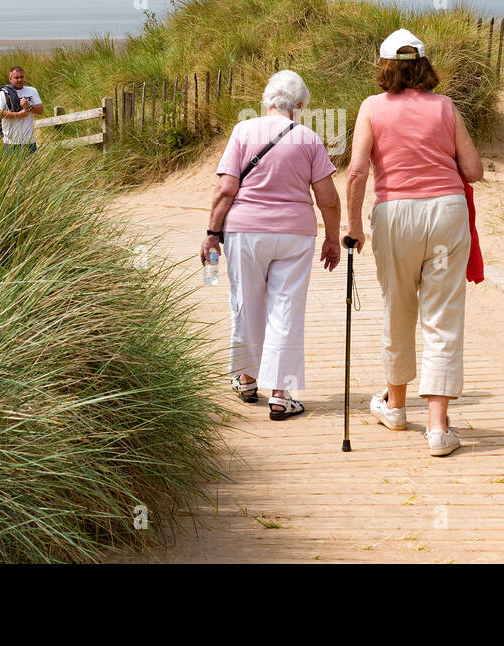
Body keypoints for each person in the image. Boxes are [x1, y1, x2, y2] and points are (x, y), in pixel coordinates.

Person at [345, 28, 484, 456]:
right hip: (444, 211)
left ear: (385, 67)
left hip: (393, 215)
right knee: (442, 316)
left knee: (398, 308)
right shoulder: (445, 107)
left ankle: (396, 406)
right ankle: (438, 428)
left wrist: (353, 227)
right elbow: (474, 169)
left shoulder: (371, 108)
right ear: (424, 65)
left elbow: (356, 173)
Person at [201, 70, 341, 421]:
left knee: (246, 303)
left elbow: (225, 190)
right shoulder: (308, 137)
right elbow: (328, 199)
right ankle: (281, 394)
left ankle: (247, 380)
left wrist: (211, 233)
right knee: (287, 308)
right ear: (299, 107)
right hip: (295, 234)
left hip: (246, 231)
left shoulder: (243, 131)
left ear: (266, 103)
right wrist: (332, 238)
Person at [0, 66, 44, 155]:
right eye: (16, 78)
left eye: (22, 77)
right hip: (11, 143)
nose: (20, 80)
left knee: (31, 168)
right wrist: (18, 115)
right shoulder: (4, 93)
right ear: (10, 79)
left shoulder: (32, 91)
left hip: (29, 141)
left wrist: (29, 107)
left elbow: (40, 110)